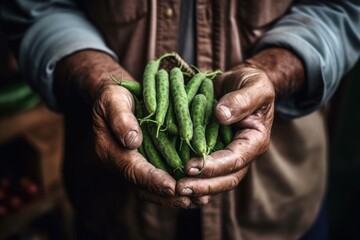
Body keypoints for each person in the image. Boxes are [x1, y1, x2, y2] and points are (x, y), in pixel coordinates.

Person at [1, 0, 360, 239]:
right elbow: (34, 6)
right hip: (113, 209)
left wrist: (271, 72)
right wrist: (98, 78)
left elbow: (342, 9)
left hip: (277, 209)